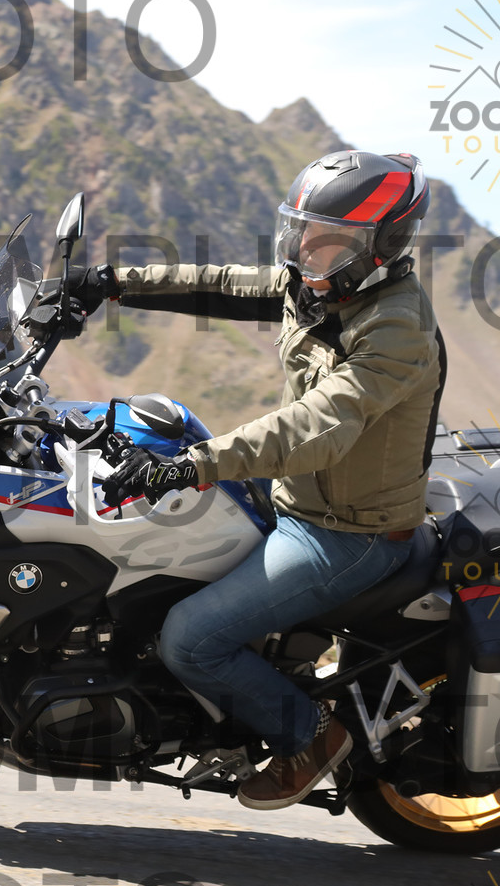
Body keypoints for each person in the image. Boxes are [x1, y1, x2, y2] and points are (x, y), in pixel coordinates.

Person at [66, 150, 445, 810]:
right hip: (298, 495)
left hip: (347, 531)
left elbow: (314, 427)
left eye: (329, 240)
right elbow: (222, 285)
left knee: (191, 638)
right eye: (301, 232)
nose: (306, 251)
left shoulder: (395, 327)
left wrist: (192, 464)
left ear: (381, 247)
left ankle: (311, 736)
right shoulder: (324, 286)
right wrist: (112, 282)